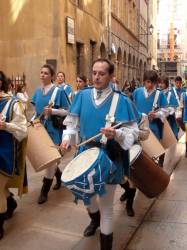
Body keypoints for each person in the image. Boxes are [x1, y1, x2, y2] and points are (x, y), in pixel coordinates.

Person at [60, 59, 139, 250]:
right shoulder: (82, 95)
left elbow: (133, 134)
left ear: (111, 76)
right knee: (86, 196)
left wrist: (117, 134)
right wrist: (67, 138)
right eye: (94, 72)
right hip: (86, 153)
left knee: (107, 207)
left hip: (111, 156)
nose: (96, 77)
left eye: (102, 73)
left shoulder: (122, 100)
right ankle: (94, 220)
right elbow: (72, 123)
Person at [31, 64, 70, 204]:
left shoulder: (58, 91)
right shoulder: (37, 91)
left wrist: (53, 111)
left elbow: (68, 111)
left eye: (46, 73)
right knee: (50, 159)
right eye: (41, 72)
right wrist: (31, 121)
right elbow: (36, 112)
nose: (42, 75)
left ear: (52, 76)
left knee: (51, 160)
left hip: (54, 129)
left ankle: (44, 191)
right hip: (41, 129)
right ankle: (59, 176)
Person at [0, 71, 28, 239]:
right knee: (2, 189)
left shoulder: (12, 103)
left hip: (4, 152)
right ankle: (10, 203)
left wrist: (6, 126)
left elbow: (23, 130)